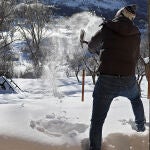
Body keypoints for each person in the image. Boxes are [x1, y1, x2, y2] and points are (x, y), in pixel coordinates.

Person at [87, 4, 146, 150]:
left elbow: (92, 46)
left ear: (119, 14)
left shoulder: (107, 27)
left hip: (107, 80)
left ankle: (95, 148)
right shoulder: (136, 33)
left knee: (97, 122)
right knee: (135, 98)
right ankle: (141, 129)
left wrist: (99, 50)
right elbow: (136, 55)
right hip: (129, 79)